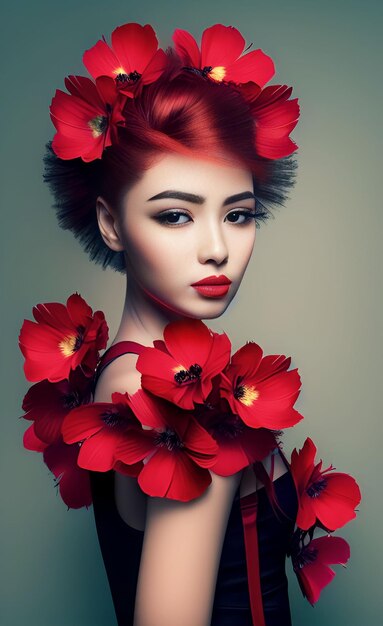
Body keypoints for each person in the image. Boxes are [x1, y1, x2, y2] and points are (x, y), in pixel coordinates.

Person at [18, 21, 361, 626]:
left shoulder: (119, 371)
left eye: (238, 214)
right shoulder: (174, 405)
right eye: (175, 215)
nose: (216, 249)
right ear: (111, 223)